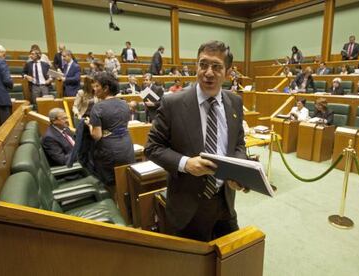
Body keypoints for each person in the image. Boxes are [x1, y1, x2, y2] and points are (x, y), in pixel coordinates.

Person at [144, 40, 247, 242]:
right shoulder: (172, 102)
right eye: (203, 64)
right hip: (187, 207)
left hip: (224, 202)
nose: (208, 72)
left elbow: (238, 144)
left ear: (228, 72)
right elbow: (152, 147)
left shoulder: (235, 102)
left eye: (216, 66)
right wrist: (185, 164)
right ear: (196, 66)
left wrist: (237, 169)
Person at [85, 72, 135, 188]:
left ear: (106, 88)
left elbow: (97, 136)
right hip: (126, 146)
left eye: (97, 86)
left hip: (109, 150)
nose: (94, 89)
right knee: (126, 182)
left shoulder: (98, 107)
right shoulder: (124, 104)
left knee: (111, 185)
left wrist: (90, 125)